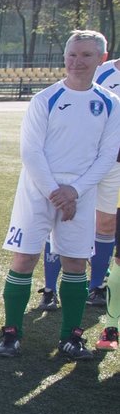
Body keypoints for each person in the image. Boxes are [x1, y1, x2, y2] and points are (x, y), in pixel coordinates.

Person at [0, 30, 120, 360]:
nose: (77, 61)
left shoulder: (110, 103)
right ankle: (11, 333)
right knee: (24, 258)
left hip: (81, 191)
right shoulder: (45, 99)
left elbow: (108, 155)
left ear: (101, 59)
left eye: (86, 55)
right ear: (64, 58)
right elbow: (31, 152)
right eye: (72, 55)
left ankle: (71, 336)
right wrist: (56, 192)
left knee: (76, 262)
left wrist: (75, 190)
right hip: (39, 189)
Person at [92, 50, 119, 317]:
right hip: (89, 158)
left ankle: (97, 284)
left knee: (108, 222)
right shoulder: (104, 72)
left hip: (117, 163)